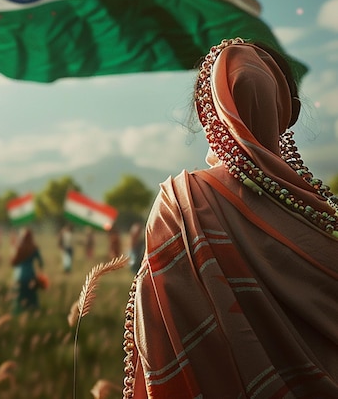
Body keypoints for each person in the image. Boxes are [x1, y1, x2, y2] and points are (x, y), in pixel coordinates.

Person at [123, 39, 338, 398]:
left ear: (209, 114)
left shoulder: (182, 206)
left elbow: (158, 342)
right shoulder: (322, 215)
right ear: (282, 111)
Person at [10, 227, 44, 314]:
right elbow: (41, 263)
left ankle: (18, 313)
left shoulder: (18, 248)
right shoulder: (34, 248)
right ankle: (33, 313)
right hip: (30, 275)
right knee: (31, 296)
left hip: (18, 276)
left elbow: (12, 262)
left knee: (19, 296)